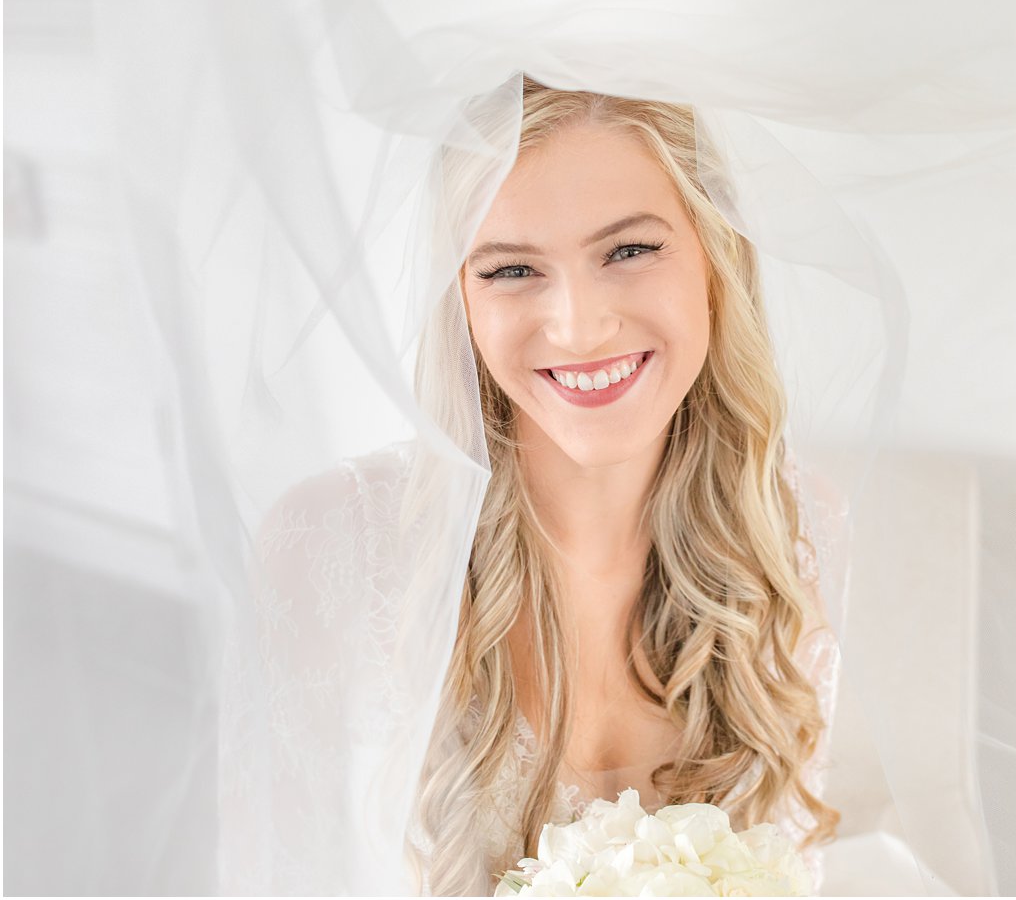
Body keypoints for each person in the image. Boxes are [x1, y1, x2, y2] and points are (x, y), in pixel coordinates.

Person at [223, 77, 845, 896]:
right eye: (513, 269)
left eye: (628, 250)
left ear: (716, 258)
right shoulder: (332, 546)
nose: (579, 326)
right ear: (463, 306)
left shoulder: (794, 530)